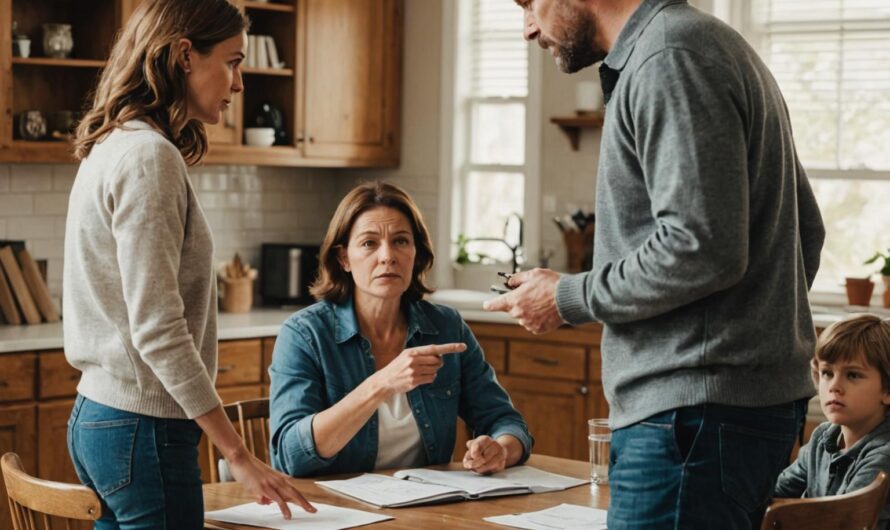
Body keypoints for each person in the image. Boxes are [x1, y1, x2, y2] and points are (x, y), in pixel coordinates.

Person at [487, 1, 826, 528]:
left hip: (689, 419)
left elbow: (700, 247)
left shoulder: (669, 57)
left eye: (529, 3)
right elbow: (806, 229)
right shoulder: (698, 45)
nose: (528, 28)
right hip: (717, 415)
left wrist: (566, 297)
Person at [64, 1, 313, 527]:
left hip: (102, 417)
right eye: (231, 61)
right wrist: (237, 454)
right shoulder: (148, 157)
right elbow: (157, 328)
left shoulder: (113, 144)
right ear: (183, 55)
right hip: (142, 425)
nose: (239, 83)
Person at [269, 181, 533, 477]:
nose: (387, 256)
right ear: (344, 258)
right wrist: (382, 384)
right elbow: (290, 456)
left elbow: (506, 421)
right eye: (369, 243)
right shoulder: (305, 335)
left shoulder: (447, 327)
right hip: (337, 511)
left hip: (426, 509)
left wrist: (501, 449)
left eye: (401, 241)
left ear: (416, 254)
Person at [774, 315, 890, 529]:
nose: (834, 386)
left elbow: (841, 521)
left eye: (853, 375)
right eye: (827, 373)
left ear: (887, 390)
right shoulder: (822, 437)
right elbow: (779, 492)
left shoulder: (884, 453)